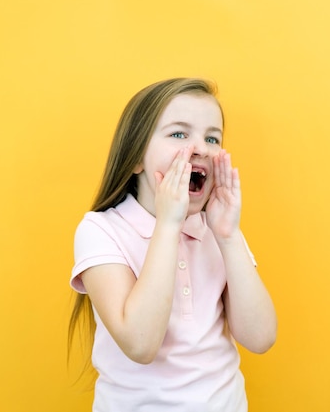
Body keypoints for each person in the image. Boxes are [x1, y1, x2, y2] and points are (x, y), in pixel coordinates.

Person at [68, 78, 277, 412]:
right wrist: (168, 224)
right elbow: (141, 344)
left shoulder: (218, 231)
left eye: (212, 138)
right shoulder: (101, 230)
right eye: (179, 134)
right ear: (135, 158)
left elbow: (261, 337)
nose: (201, 148)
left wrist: (228, 236)